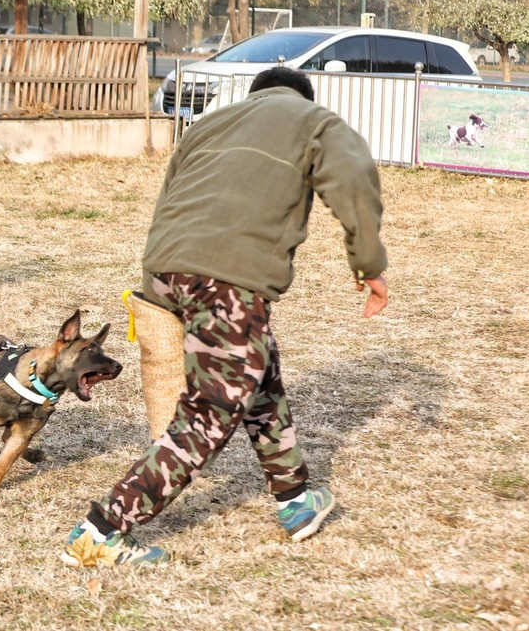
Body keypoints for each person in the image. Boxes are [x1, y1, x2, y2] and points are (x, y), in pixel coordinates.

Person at [61, 67, 389, 567]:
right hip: (228, 282)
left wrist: (157, 285)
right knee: (206, 416)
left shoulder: (210, 124)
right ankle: (99, 532)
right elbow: (354, 176)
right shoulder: (313, 120)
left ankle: (295, 500)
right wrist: (368, 265)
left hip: (168, 268)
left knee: (262, 381)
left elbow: (171, 194)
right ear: (301, 96)